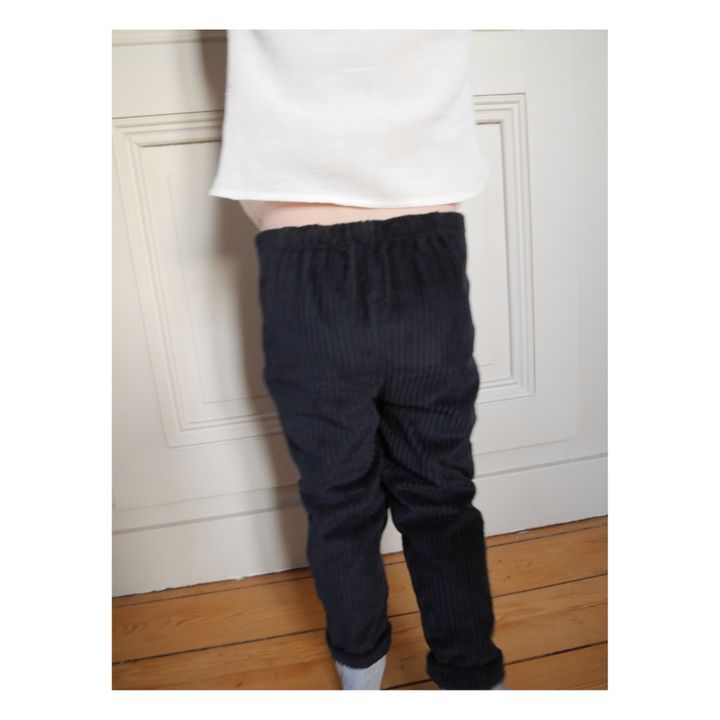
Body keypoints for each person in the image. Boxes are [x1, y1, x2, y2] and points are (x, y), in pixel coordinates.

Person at [209, 29, 508, 691]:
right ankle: (475, 679)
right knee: (440, 494)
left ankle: (360, 670)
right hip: (426, 254)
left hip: (301, 261)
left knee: (338, 500)